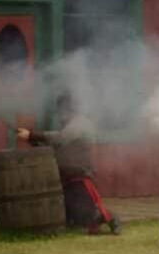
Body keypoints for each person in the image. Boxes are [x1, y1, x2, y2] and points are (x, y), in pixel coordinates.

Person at [17, 93, 121, 235]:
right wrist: (32, 140)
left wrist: (31, 135)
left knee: (87, 211)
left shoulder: (80, 124)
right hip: (68, 175)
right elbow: (57, 147)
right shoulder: (72, 124)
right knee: (73, 213)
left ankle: (111, 218)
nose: (60, 115)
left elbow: (60, 139)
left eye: (62, 110)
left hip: (80, 174)